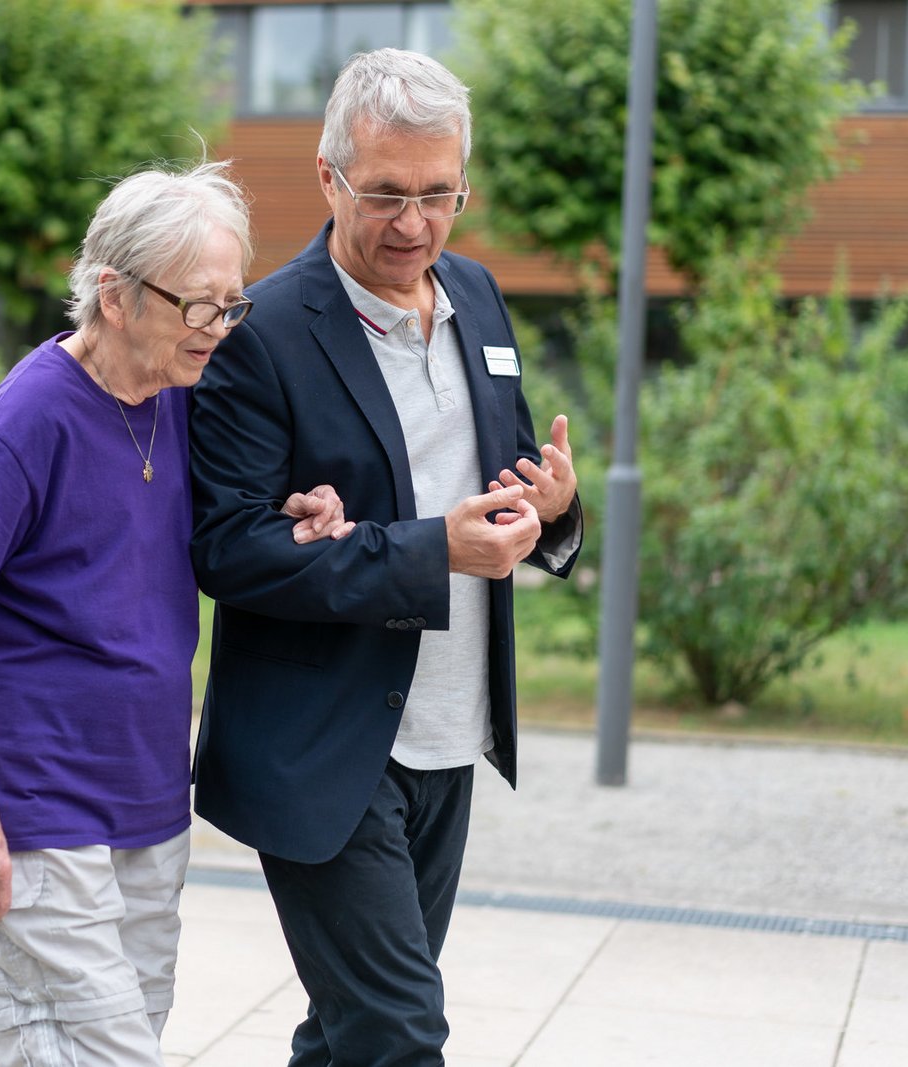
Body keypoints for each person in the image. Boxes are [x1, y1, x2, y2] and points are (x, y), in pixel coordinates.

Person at [0, 162, 352, 1067]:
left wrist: (294, 514)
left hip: (146, 804)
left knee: (123, 1042)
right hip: (36, 806)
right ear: (117, 294)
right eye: (199, 305)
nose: (219, 328)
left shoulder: (176, 398)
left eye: (232, 304)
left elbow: (204, 531)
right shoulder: (30, 417)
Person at [189, 50, 584, 1066]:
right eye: (386, 194)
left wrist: (553, 510)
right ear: (328, 178)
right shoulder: (263, 334)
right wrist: (424, 548)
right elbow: (227, 545)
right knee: (399, 1032)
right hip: (323, 744)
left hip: (451, 728)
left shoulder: (480, 300)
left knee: (348, 1036)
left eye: (438, 194)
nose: (414, 224)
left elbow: (495, 483)